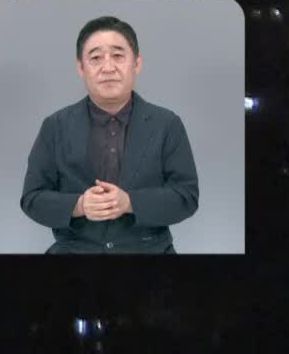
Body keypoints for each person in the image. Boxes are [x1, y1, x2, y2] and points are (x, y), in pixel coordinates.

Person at [19, 15, 199, 254]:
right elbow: (32, 198)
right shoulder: (55, 126)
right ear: (81, 68)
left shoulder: (167, 124)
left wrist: (130, 203)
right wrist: (79, 205)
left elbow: (186, 197)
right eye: (95, 58)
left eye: (118, 55)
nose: (108, 67)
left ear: (137, 63)